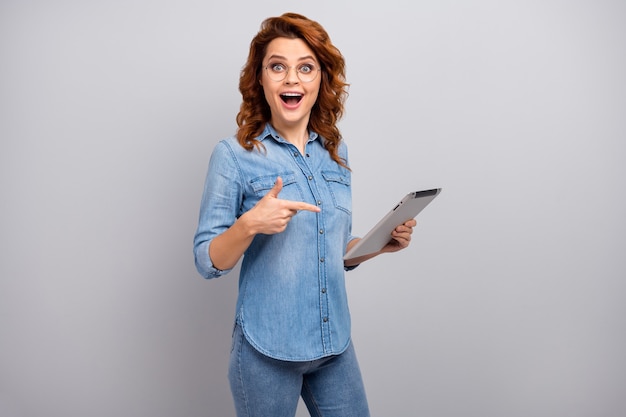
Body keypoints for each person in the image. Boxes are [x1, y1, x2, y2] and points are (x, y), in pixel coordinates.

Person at [193, 12, 417, 417]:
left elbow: (332, 252)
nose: (291, 79)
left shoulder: (336, 154)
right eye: (277, 66)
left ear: (321, 80)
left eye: (306, 67)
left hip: (333, 345)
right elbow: (208, 261)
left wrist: (378, 246)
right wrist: (249, 224)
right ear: (260, 79)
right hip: (265, 350)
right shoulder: (234, 156)